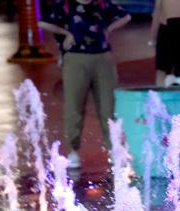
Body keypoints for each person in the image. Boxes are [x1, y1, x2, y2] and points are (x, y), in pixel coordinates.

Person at [40, 0, 130, 169]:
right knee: (74, 106)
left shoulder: (101, 4)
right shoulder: (66, 5)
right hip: (75, 58)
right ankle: (73, 150)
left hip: (103, 58)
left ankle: (113, 149)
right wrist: (65, 33)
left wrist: (108, 29)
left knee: (108, 106)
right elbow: (43, 22)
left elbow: (125, 16)